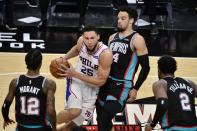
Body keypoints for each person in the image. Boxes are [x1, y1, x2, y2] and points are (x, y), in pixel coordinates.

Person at [96, 6, 150, 131]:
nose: (119, 21)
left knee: (105, 116)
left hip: (122, 86)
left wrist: (135, 88)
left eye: (123, 18)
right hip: (105, 83)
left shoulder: (137, 39)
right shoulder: (112, 37)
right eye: (118, 18)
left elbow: (146, 67)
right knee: (102, 121)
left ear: (131, 20)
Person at [56, 25, 113, 131]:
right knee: (74, 112)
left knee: (73, 124)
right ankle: (48, 122)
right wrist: (64, 58)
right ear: (83, 37)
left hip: (92, 88)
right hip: (76, 82)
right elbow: (77, 49)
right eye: (86, 38)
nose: (89, 41)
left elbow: (101, 81)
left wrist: (75, 74)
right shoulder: (81, 41)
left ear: (98, 37)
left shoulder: (105, 54)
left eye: (92, 38)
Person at [1, 49, 57, 131]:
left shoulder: (15, 82)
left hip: (22, 128)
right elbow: (51, 111)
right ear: (40, 64)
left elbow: (5, 105)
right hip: (41, 128)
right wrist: (54, 128)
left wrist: (6, 118)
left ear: (26, 62)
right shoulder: (48, 84)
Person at [145, 55, 197, 131]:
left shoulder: (161, 84)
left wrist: (152, 124)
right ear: (174, 69)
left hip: (174, 128)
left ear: (159, 70)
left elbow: (162, 104)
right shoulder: (189, 83)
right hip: (193, 128)